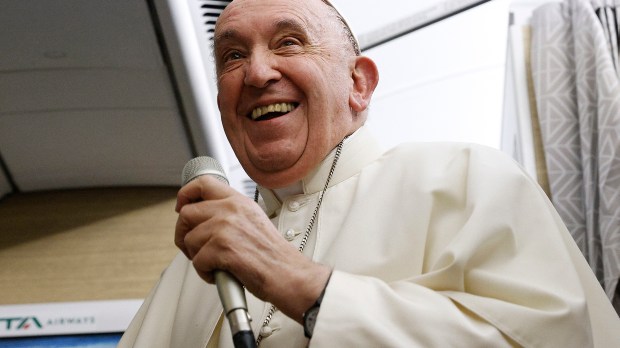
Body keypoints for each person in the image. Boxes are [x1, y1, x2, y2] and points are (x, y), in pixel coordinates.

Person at [118, 0, 620, 346]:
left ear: (358, 83)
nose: (256, 73)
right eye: (232, 55)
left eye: (289, 42)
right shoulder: (193, 267)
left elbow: (555, 338)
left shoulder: (466, 179)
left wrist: (299, 282)